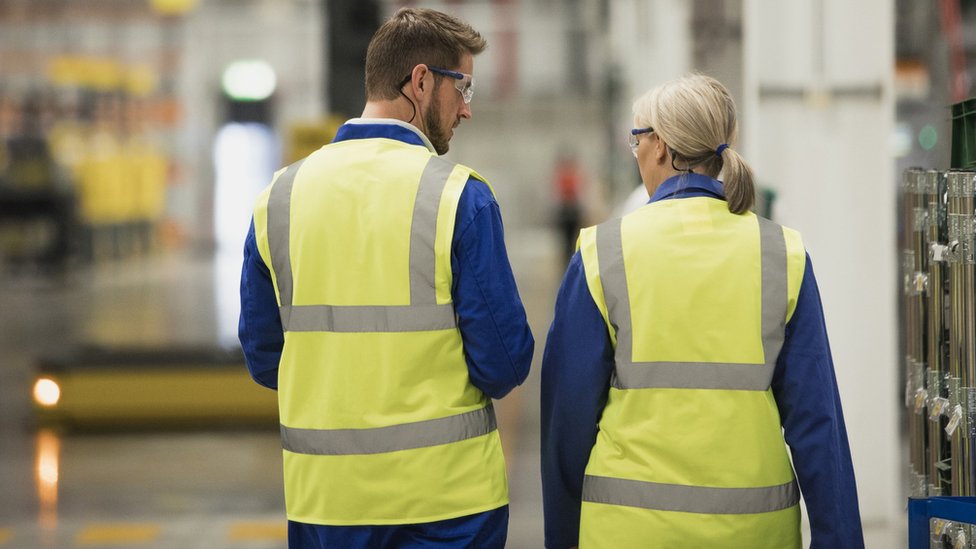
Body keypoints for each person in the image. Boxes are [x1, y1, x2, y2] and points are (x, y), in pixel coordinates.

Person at [238, 8, 534, 548]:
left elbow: (264, 357)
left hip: (326, 503)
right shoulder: (458, 198)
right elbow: (503, 363)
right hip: (448, 508)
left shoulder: (278, 199)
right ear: (420, 81)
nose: (467, 109)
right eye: (462, 87)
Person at [540, 74, 863, 548]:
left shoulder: (603, 253)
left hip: (629, 531)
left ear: (661, 147)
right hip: (753, 532)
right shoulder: (780, 254)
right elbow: (818, 424)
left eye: (636, 140)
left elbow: (566, 424)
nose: (635, 154)